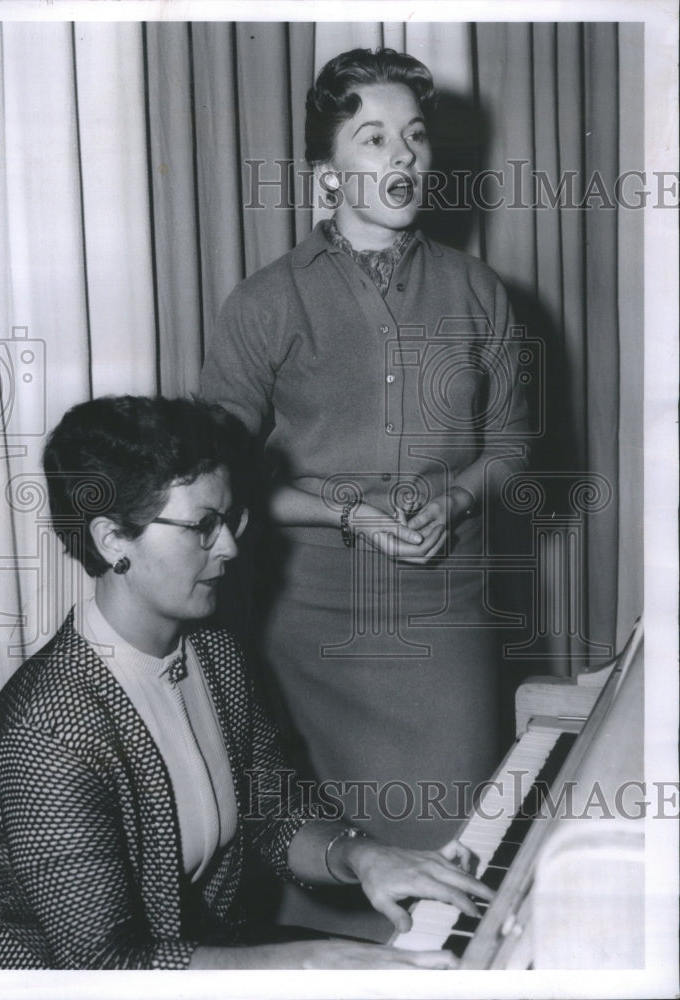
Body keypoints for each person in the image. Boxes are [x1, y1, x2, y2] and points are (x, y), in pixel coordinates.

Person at [0, 395, 493, 970]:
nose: (228, 547)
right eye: (202, 526)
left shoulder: (212, 649)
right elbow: (105, 965)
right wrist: (305, 962)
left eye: (230, 520)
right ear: (112, 540)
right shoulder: (48, 728)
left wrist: (362, 855)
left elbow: (271, 813)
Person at [200, 46, 530, 870]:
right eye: (376, 139)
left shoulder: (478, 290)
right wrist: (346, 512)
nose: (405, 158)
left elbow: (515, 447)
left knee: (451, 850)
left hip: (443, 613)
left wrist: (453, 503)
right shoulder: (266, 302)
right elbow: (214, 480)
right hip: (304, 622)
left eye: (415, 138)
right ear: (328, 172)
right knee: (315, 849)